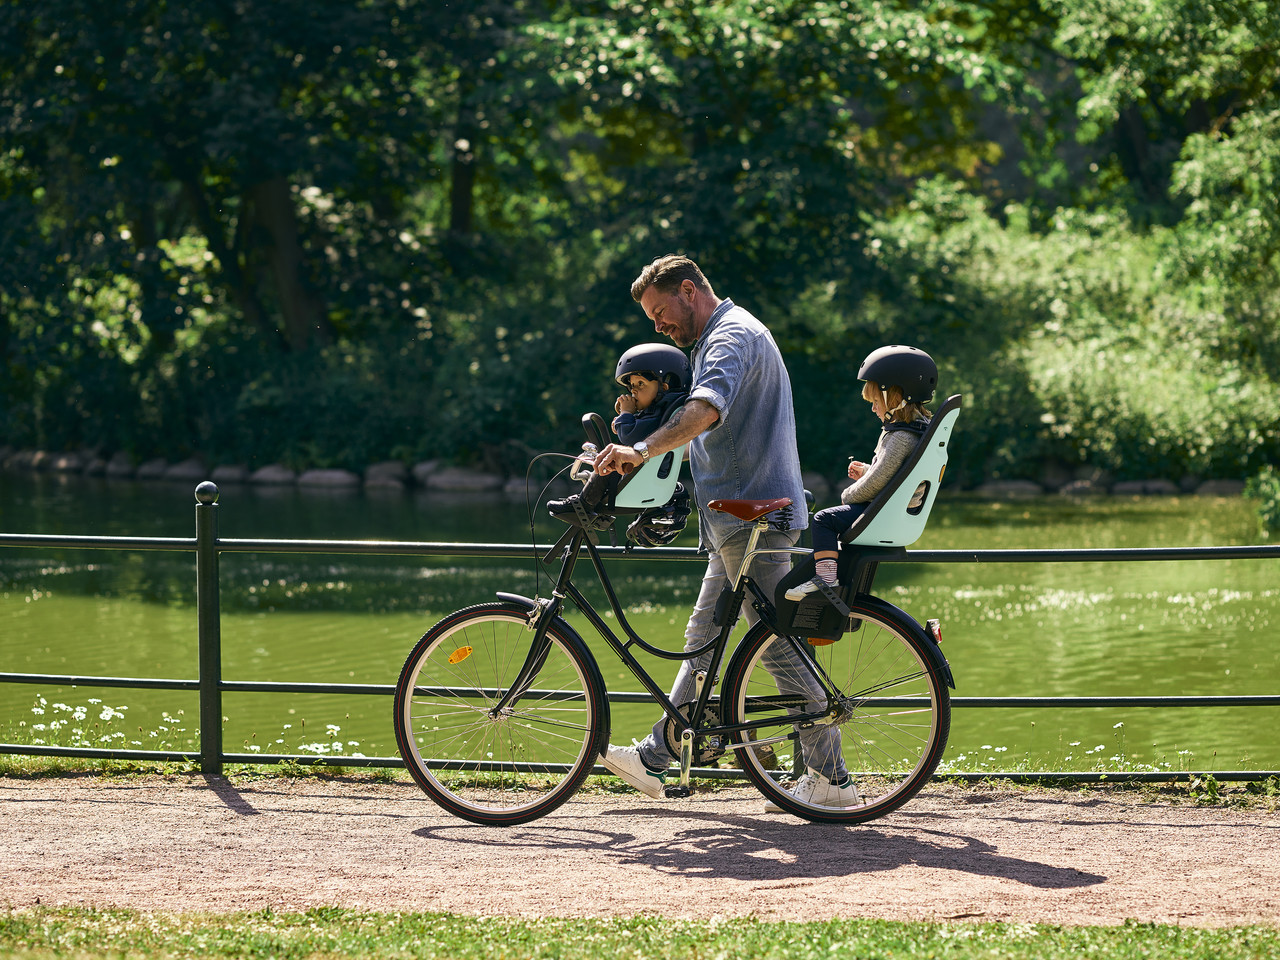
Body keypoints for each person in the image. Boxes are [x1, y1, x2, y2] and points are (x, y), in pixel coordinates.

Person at [592, 254, 855, 811]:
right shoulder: (733, 332)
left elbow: (706, 408)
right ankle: (657, 753)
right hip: (741, 516)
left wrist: (640, 449)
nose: (658, 327)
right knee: (705, 638)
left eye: (661, 313)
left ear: (690, 290)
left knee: (776, 646)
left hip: (750, 515)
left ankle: (830, 778)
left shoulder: (729, 336)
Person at [785, 344, 937, 601]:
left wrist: (848, 493)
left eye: (876, 401)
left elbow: (877, 482)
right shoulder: (916, 431)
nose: (873, 408)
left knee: (823, 519)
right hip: (893, 508)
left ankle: (825, 578)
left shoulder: (899, 436)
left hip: (883, 512)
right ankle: (831, 575)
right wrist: (867, 470)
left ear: (896, 398)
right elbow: (893, 474)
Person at [547, 343, 689, 523]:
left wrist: (626, 414)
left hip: (642, 480)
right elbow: (636, 432)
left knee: (610, 458)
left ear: (664, 387)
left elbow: (628, 436)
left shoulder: (660, 416)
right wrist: (626, 417)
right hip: (651, 479)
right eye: (631, 386)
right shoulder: (666, 413)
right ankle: (595, 512)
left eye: (641, 384)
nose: (634, 390)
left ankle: (583, 505)